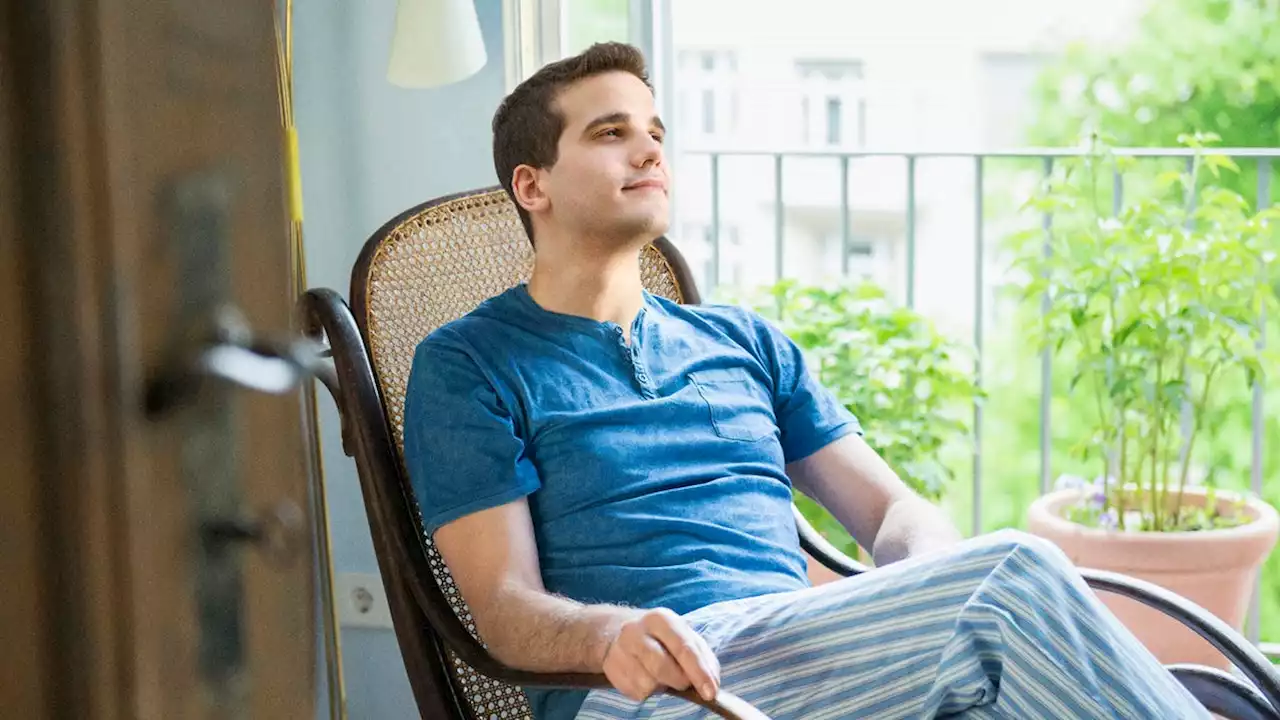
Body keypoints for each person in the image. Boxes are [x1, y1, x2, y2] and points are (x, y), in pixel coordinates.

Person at [403, 42, 1211, 720]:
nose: (650, 150)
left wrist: (928, 566)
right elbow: (504, 610)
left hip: (805, 654)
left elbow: (890, 509)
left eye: (655, 130)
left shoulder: (743, 342)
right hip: (650, 691)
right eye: (612, 132)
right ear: (531, 184)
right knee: (1014, 576)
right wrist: (612, 637)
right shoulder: (469, 363)